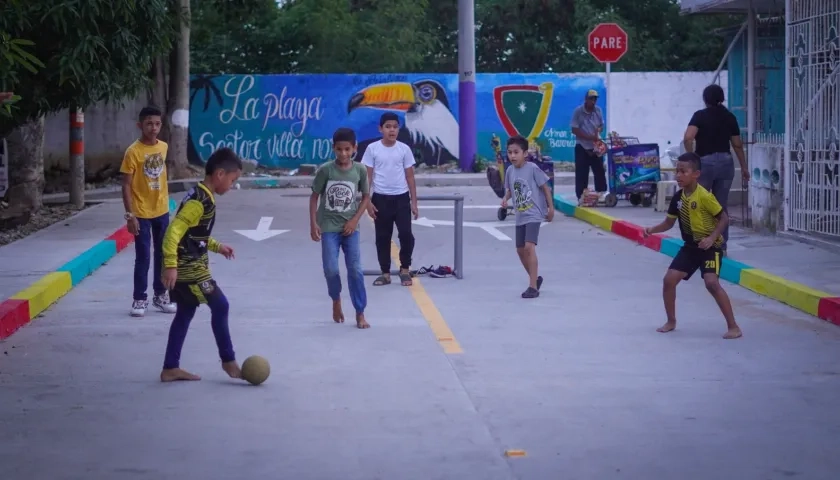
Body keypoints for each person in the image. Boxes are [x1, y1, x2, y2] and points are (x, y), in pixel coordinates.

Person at [159, 147, 244, 382]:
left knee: (185, 313)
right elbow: (173, 232)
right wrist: (170, 265)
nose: (232, 185)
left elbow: (195, 233)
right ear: (219, 174)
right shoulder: (200, 201)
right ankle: (229, 361)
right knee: (221, 305)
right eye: (232, 179)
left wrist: (218, 246)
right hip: (190, 270)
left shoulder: (200, 193)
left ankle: (170, 367)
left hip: (189, 266)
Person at [643, 152, 742, 340]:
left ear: (696, 174)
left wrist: (712, 238)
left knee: (711, 283)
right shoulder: (678, 198)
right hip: (690, 247)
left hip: (710, 247)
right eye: (677, 171)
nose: (678, 175)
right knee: (669, 280)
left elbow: (724, 218)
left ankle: (734, 326)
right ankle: (671, 321)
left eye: (683, 172)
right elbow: (668, 223)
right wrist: (652, 230)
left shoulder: (705, 196)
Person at [310, 127, 371, 329]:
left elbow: (366, 197)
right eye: (339, 149)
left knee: (355, 270)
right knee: (331, 269)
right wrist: (313, 223)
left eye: (347, 149)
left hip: (350, 228)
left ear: (354, 148)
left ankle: (360, 312)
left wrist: (354, 220)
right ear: (333, 148)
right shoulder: (326, 170)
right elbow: (314, 196)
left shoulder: (360, 170)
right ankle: (336, 299)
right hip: (328, 227)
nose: (343, 154)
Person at [120, 105, 176, 317]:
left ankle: (160, 296)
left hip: (161, 210)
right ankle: (139, 299)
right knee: (142, 257)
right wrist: (130, 215)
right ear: (140, 125)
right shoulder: (133, 152)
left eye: (157, 124)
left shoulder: (163, 146)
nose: (154, 128)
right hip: (141, 213)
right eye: (149, 124)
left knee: (162, 254)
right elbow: (125, 184)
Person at [682, 84, 750, 255]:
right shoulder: (729, 117)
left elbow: (688, 138)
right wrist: (744, 167)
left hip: (705, 163)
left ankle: (700, 244)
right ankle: (721, 246)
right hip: (726, 162)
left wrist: (693, 158)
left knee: (700, 203)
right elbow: (737, 144)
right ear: (722, 98)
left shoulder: (700, 116)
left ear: (705, 99)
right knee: (720, 206)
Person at [362, 112, 419, 287]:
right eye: (388, 127)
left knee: (406, 235)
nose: (391, 130)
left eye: (395, 126)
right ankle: (385, 273)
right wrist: (368, 202)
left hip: (401, 199)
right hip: (380, 199)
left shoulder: (404, 149)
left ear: (398, 129)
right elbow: (367, 178)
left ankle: (404, 269)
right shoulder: (372, 149)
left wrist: (414, 202)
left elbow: (410, 177)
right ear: (381, 129)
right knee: (382, 237)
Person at [501, 135, 555, 299]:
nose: (512, 156)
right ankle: (535, 278)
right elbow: (510, 189)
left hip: (534, 214)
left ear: (525, 153)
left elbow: (545, 187)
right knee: (519, 250)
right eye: (510, 152)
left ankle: (533, 287)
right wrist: (505, 199)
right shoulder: (510, 170)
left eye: (516, 152)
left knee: (529, 248)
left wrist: (550, 208)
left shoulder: (532, 168)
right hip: (520, 216)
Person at [570, 89, 608, 204]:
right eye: (591, 98)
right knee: (582, 172)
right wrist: (589, 137)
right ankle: (581, 196)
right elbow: (574, 129)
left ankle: (601, 194)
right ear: (586, 99)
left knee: (599, 170)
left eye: (595, 99)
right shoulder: (578, 111)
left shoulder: (598, 111)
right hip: (582, 145)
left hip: (595, 145)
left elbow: (601, 125)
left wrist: (598, 131)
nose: (593, 101)